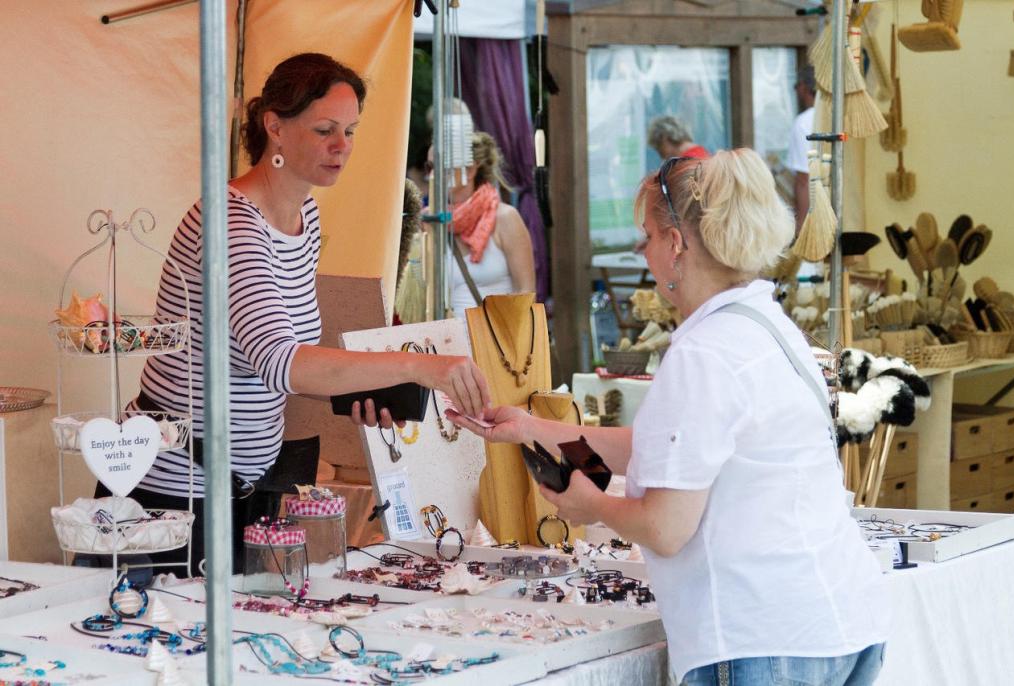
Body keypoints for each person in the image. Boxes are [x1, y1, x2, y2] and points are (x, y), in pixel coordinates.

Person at [449, 149, 889, 686]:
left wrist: (591, 505)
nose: (644, 251)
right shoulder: (767, 326)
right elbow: (670, 446)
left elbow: (664, 527)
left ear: (677, 245)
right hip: (838, 621)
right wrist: (534, 427)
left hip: (762, 637)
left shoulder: (705, 352)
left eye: (649, 237)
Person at [104, 53, 490, 575]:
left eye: (350, 131)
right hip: (174, 494)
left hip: (243, 486)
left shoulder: (302, 215)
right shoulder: (231, 226)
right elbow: (286, 363)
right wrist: (416, 365)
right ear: (275, 128)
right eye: (325, 130)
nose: (342, 147)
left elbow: (286, 360)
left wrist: (363, 391)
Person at [447, 131, 536, 322]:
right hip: (447, 346)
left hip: (497, 344)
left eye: (443, 165)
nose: (433, 174)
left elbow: (526, 292)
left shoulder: (505, 217)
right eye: (429, 166)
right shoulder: (431, 223)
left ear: (470, 170)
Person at [787, 65, 818, 235]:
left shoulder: (803, 123)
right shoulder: (838, 117)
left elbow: (804, 178)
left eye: (796, 86)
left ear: (804, 87)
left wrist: (801, 228)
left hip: (816, 215)